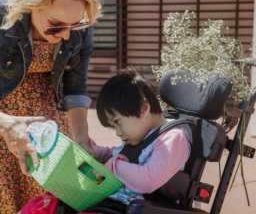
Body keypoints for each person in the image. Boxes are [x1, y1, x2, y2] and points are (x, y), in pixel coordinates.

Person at [0, 0, 102, 212]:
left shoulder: (80, 24)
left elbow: (75, 87)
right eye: (56, 26)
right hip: (4, 116)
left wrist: (81, 137)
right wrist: (7, 124)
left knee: (49, 199)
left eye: (75, 25)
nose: (67, 34)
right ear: (31, 4)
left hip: (48, 123)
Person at [18, 68, 190, 214]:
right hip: (110, 200)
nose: (118, 133)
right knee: (47, 202)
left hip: (132, 207)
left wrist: (114, 166)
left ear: (142, 108)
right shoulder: (142, 134)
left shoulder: (172, 138)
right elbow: (122, 154)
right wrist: (98, 152)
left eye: (117, 122)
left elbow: (149, 179)